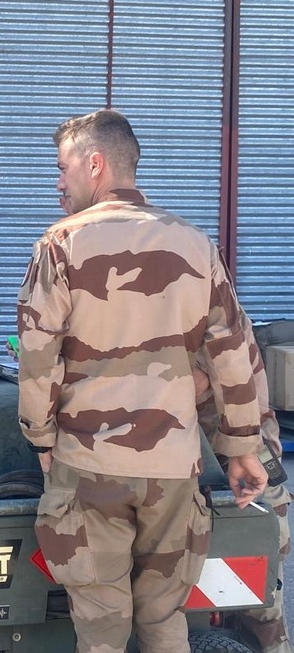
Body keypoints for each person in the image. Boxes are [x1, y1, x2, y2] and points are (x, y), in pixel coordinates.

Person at [16, 109, 267, 653]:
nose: (58, 182)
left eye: (62, 169)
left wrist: (40, 439)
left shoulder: (59, 245)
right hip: (173, 470)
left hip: (89, 467)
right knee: (164, 619)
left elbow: (38, 356)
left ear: (94, 164)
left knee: (101, 629)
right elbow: (233, 355)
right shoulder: (196, 245)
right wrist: (243, 448)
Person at [195, 313, 292, 653]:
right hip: (216, 452)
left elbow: (196, 382)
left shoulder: (203, 307)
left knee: (256, 596)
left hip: (237, 456)